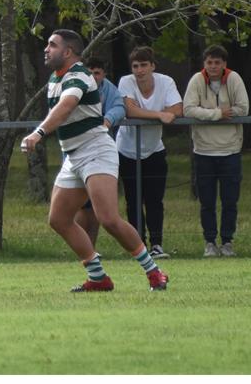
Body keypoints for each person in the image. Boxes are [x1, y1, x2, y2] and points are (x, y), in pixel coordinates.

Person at [20, 30, 168, 293]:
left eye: (52, 45)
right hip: (74, 155)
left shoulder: (79, 74)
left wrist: (38, 132)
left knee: (108, 218)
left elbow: (66, 106)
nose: (46, 49)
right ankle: (98, 277)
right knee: (59, 219)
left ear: (68, 52)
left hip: (96, 149)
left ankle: (154, 272)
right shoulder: (55, 78)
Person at [115, 46, 181, 259]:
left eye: (144, 65)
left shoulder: (166, 81)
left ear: (152, 66)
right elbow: (130, 110)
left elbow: (178, 109)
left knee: (154, 200)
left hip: (155, 149)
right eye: (136, 66)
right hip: (127, 150)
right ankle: (138, 246)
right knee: (133, 200)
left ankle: (157, 245)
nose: (140, 70)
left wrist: (163, 114)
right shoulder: (126, 81)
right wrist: (160, 115)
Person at [183, 45, 249, 257]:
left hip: (230, 150)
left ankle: (227, 242)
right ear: (204, 64)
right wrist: (218, 114)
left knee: (230, 201)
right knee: (207, 202)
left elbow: (243, 108)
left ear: (224, 64)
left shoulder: (234, 79)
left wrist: (207, 113)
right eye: (209, 62)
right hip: (204, 151)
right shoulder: (196, 80)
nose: (213, 66)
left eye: (217, 62)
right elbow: (188, 109)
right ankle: (210, 242)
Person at [73, 57, 126, 246]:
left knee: (99, 209)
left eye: (97, 73)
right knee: (79, 204)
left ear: (103, 74)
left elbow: (120, 107)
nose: (94, 77)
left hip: (100, 152)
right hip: (77, 151)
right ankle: (80, 248)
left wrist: (108, 119)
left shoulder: (108, 88)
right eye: (90, 72)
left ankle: (91, 248)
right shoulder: (75, 87)